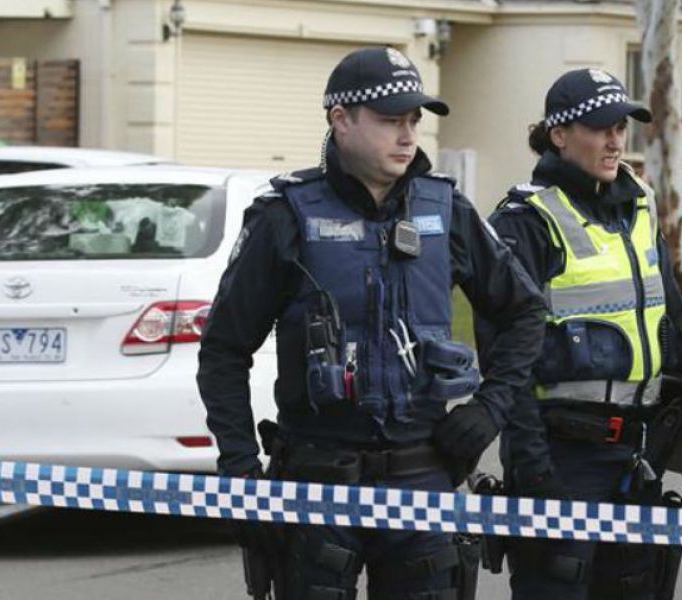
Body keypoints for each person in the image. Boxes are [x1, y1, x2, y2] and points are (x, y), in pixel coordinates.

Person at [196, 47, 546, 600]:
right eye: (391, 120)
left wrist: (490, 408)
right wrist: (241, 473)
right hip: (317, 480)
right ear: (341, 120)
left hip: (422, 475)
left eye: (414, 120)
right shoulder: (285, 215)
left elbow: (525, 311)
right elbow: (222, 351)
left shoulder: (446, 210)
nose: (408, 136)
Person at [474, 68, 682, 600]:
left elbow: (675, 324)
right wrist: (536, 477)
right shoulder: (523, 221)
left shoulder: (641, 203)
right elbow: (505, 363)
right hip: (563, 458)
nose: (615, 140)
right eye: (600, 127)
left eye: (622, 127)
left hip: (639, 453)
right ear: (559, 135)